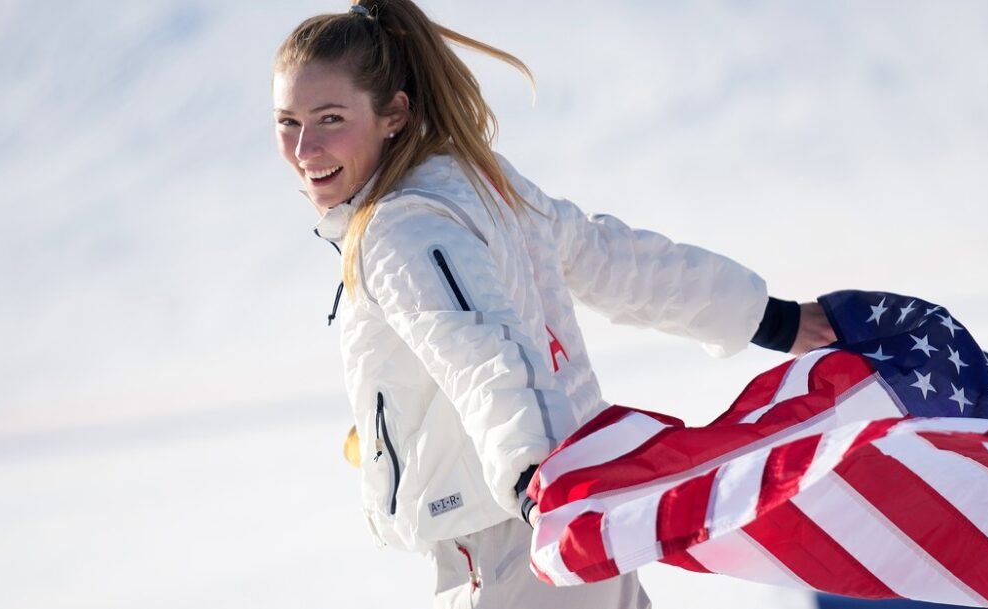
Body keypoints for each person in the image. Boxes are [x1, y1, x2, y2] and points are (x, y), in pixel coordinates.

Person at [271, 2, 837, 607]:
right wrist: (773, 318)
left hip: (521, 540)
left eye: (330, 118)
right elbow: (612, 259)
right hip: (575, 511)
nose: (305, 147)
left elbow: (481, 350)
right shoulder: (480, 184)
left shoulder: (401, 228)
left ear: (394, 114)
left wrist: (533, 479)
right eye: (288, 122)